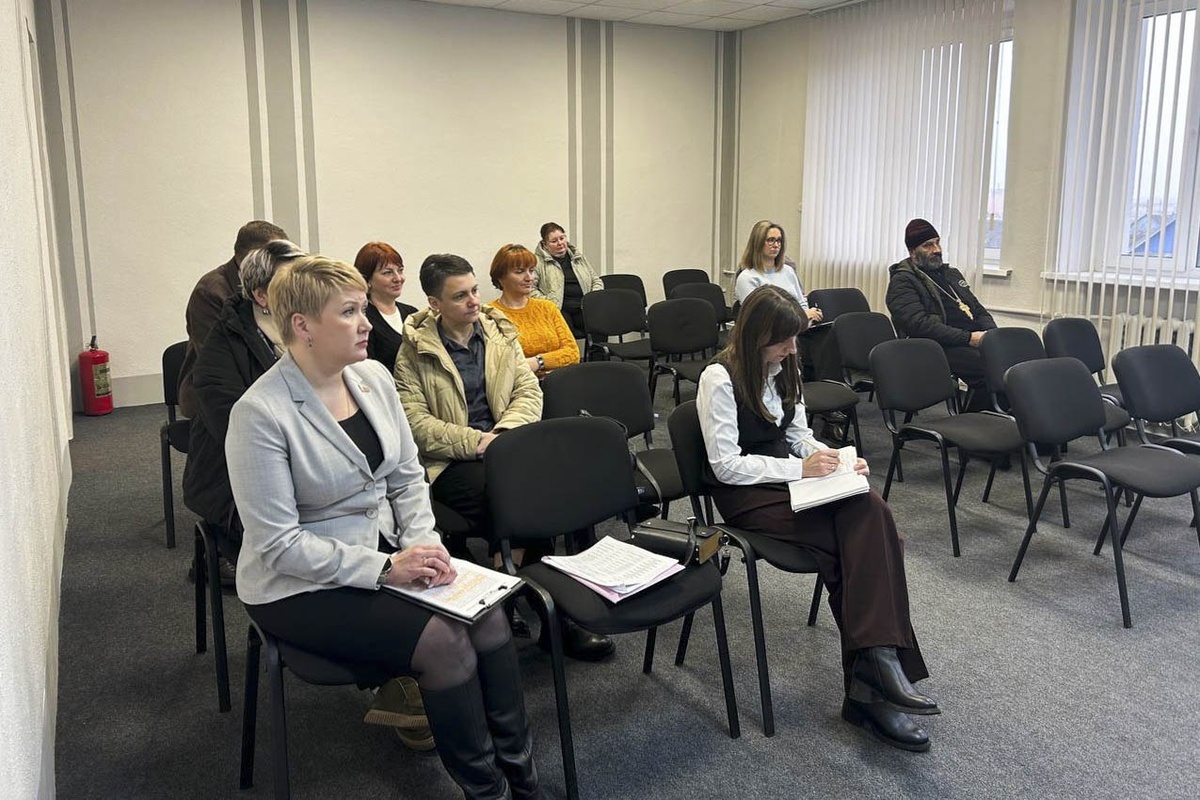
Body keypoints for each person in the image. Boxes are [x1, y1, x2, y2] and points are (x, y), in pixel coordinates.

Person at [226, 255, 540, 799]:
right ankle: (487, 790)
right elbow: (278, 545)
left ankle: (523, 776)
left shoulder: (371, 377)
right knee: (444, 642)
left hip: (392, 552)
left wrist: (424, 545)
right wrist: (386, 567)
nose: (367, 322)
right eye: (349, 312)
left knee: (489, 617)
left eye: (362, 309)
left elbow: (407, 476)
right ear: (302, 326)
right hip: (299, 585)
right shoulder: (260, 414)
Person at [696, 285, 938, 753]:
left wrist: (835, 458)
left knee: (870, 509)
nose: (793, 349)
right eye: (784, 340)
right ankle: (871, 685)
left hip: (791, 479)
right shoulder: (719, 378)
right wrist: (800, 470)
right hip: (746, 493)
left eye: (795, 339)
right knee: (866, 541)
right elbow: (725, 465)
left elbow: (799, 435)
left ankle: (875, 670)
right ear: (757, 336)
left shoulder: (786, 366)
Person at [394, 253, 612, 662]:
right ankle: (552, 617)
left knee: (547, 489)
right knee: (515, 500)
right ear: (434, 304)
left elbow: (528, 391)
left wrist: (502, 436)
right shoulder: (413, 352)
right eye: (460, 296)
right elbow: (416, 424)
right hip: (452, 461)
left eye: (475, 291)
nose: (474, 302)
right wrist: (477, 442)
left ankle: (507, 593)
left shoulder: (499, 333)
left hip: (509, 446)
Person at [182, 239, 305, 585]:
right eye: (293, 284)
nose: (306, 292)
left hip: (299, 465)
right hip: (232, 476)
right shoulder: (222, 350)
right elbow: (243, 437)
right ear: (262, 296)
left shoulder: (310, 331)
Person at [178, 220, 288, 417]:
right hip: (218, 394)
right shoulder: (210, 292)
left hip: (269, 381)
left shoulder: (278, 284)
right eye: (276, 256)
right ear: (252, 259)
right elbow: (221, 360)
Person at [886, 218, 996, 409]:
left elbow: (978, 310)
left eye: (937, 243)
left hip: (969, 339)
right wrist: (969, 338)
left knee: (1011, 357)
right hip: (935, 346)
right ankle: (974, 423)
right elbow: (920, 326)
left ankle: (1007, 417)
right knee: (991, 369)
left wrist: (992, 335)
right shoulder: (902, 281)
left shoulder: (951, 274)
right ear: (912, 251)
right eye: (928, 245)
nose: (936, 249)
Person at [735, 220, 838, 382]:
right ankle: (808, 383)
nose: (776, 245)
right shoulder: (748, 278)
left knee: (830, 333)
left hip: (799, 326)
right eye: (770, 240)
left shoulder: (788, 271)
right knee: (816, 345)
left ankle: (826, 385)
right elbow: (762, 317)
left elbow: (801, 302)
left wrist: (806, 318)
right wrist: (802, 318)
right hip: (771, 333)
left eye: (779, 240)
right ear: (758, 243)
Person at [487, 244, 580, 377]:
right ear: (500, 278)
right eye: (519, 271)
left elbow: (573, 353)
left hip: (557, 382)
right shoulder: (490, 314)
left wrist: (538, 362)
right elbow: (496, 363)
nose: (529, 278)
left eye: (531, 271)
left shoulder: (547, 308)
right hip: (517, 385)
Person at [354, 241, 418, 372]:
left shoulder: (412, 313)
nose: (398, 278)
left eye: (400, 270)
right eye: (388, 273)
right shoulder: (362, 318)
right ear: (367, 280)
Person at [531, 222, 603, 336]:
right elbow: (530, 289)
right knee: (565, 333)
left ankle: (595, 349)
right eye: (554, 241)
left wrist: (592, 298)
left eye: (562, 238)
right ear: (545, 244)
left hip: (583, 307)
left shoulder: (578, 257)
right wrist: (548, 302)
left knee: (600, 325)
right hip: (559, 309)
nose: (560, 243)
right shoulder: (536, 262)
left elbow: (596, 280)